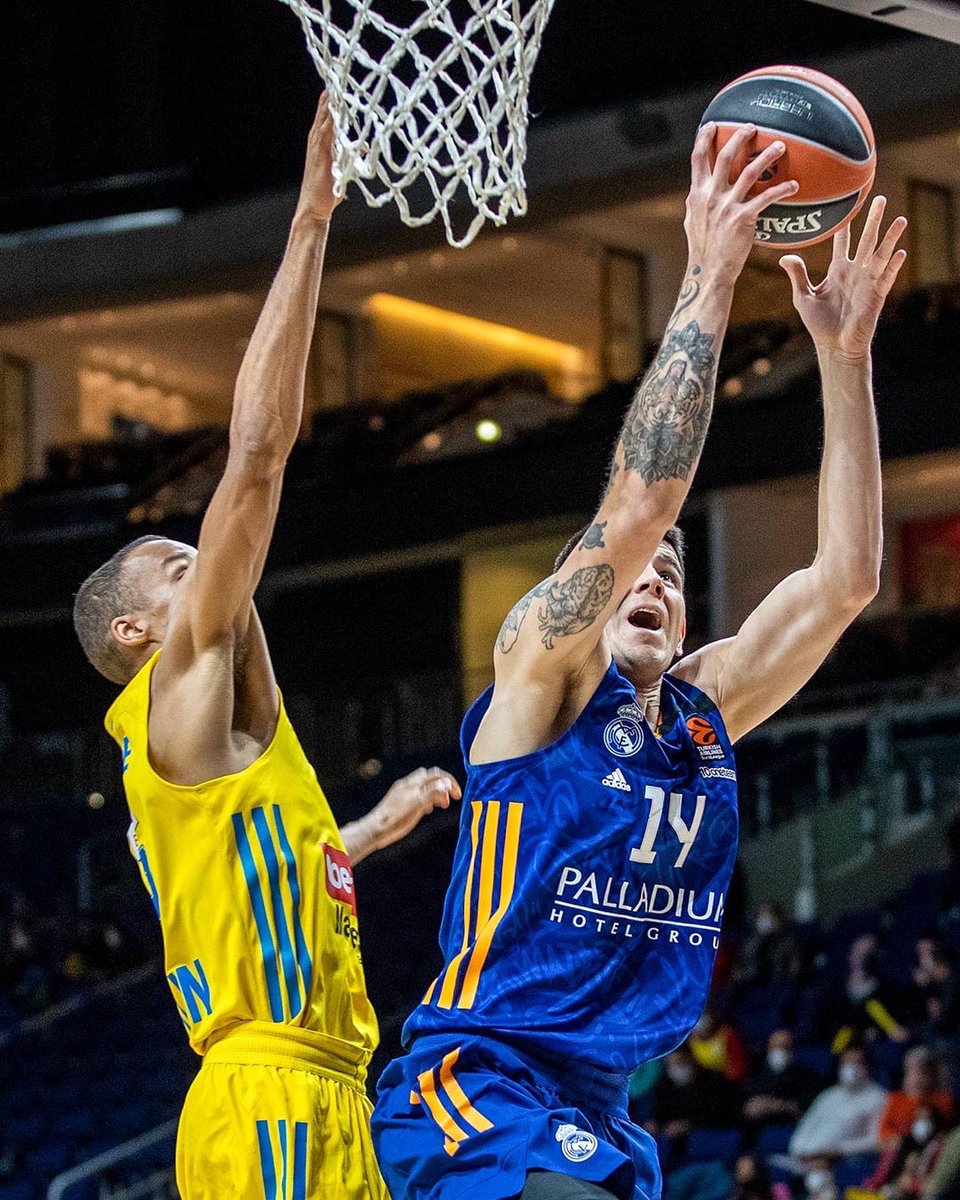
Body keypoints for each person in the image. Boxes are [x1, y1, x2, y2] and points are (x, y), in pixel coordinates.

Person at [372, 113, 908, 1200]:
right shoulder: (543, 678)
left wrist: (842, 360)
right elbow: (643, 500)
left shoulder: (703, 715)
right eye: (629, 567)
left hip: (603, 1113)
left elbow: (846, 579)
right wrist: (711, 272)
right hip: (479, 1086)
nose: (651, 573)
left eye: (673, 566)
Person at [72, 97, 461, 1200]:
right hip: (269, 1098)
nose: (195, 561)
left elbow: (257, 883)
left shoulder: (218, 733)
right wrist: (309, 218)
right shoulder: (178, 677)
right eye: (169, 560)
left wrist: (366, 835)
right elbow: (255, 456)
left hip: (328, 1088)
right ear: (132, 632)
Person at [789, 1047, 887, 1162]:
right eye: (846, 1063)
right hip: (806, 1157)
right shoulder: (828, 1095)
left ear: (867, 1067)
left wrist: (839, 1150)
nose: (850, 1068)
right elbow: (805, 1127)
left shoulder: (878, 1097)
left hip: (841, 1159)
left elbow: (875, 1140)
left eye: (856, 1063)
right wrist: (801, 1151)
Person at [831, 934, 909, 1053]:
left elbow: (898, 1030)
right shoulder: (835, 991)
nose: (862, 959)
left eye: (867, 953)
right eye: (859, 953)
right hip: (845, 1050)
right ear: (850, 956)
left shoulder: (888, 989)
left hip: (881, 1049)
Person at [743, 1029, 821, 1137]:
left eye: (784, 1047)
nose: (778, 1052)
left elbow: (805, 1111)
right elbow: (748, 1106)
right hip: (758, 1134)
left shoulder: (807, 1077)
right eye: (774, 1047)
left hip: (793, 1133)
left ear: (793, 1050)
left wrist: (774, 1105)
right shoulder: (757, 1075)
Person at [878, 1049, 953, 1150]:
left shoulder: (943, 1100)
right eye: (911, 1072)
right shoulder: (895, 1099)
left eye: (922, 1072)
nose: (916, 1078)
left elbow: (945, 1134)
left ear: (932, 1075)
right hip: (899, 1152)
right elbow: (883, 1134)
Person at [688, 1004, 748, 1082]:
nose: (699, 1023)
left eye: (703, 1016)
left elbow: (737, 1069)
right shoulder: (691, 1042)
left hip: (731, 1080)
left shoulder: (727, 1034)